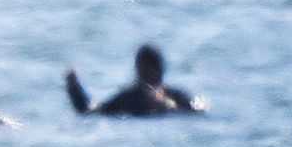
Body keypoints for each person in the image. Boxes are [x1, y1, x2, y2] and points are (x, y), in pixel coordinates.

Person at [67, 45, 203, 118]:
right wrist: (74, 87)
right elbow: (90, 112)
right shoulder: (129, 97)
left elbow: (198, 110)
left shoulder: (175, 96)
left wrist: (166, 105)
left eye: (145, 71)